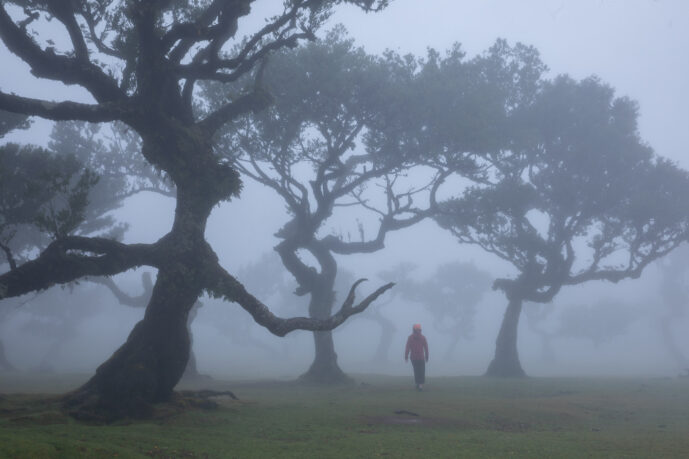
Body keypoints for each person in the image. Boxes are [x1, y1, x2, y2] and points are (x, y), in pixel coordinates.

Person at [405, 323, 429, 391]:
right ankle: (420, 385)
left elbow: (407, 347)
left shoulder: (410, 337)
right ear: (420, 330)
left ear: (413, 330)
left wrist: (406, 356)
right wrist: (427, 356)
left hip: (413, 358)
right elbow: (426, 348)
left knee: (416, 371)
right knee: (421, 371)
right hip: (420, 357)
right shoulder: (423, 337)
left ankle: (418, 384)